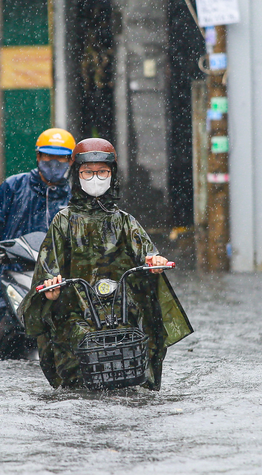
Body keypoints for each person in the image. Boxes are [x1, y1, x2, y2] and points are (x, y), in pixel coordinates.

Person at [18, 138, 193, 390]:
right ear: (77, 174)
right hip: (77, 310)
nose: (95, 178)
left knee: (143, 328)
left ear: (113, 174)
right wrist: (51, 289)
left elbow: (147, 252)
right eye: (88, 172)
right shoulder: (63, 221)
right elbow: (48, 267)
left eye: (102, 172)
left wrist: (155, 262)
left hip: (121, 307)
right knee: (71, 340)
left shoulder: (124, 221)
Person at [0, 128, 77, 363]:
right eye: (48, 156)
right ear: (38, 157)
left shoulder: (75, 198)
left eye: (61, 157)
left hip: (54, 277)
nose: (54, 163)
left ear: (71, 160)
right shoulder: (14, 186)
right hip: (5, 271)